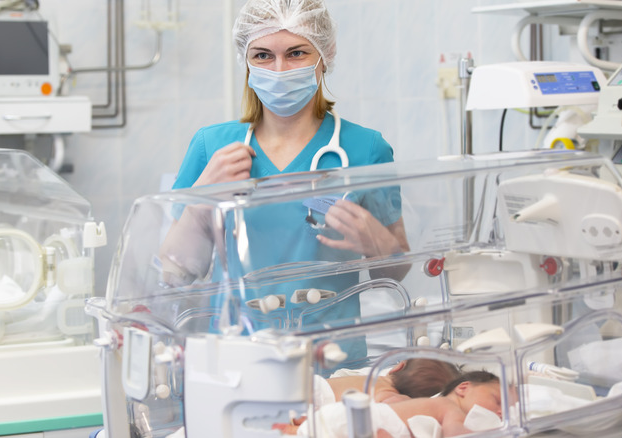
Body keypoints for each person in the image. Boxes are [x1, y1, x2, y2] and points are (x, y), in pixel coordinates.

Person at [160, 0, 410, 363]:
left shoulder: (365, 148)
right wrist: (202, 201)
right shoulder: (212, 147)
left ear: (326, 54)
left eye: (296, 53)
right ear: (245, 61)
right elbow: (175, 275)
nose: (279, 70)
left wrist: (375, 241)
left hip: (331, 361)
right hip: (235, 357)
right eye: (262, 55)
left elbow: (397, 269)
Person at [279, 370, 503, 437]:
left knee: (313, 427)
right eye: (498, 400)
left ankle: (290, 426)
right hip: (360, 423)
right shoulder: (450, 408)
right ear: (463, 388)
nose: (501, 411)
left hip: (336, 413)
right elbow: (456, 432)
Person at [325, 358, 462, 404]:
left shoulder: (374, 378)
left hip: (318, 385)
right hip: (320, 397)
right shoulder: (386, 392)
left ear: (398, 367)